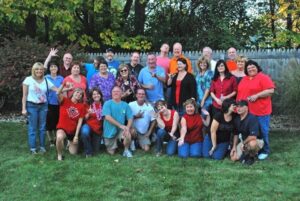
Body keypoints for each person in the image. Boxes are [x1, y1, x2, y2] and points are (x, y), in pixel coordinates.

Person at [237, 60, 275, 160]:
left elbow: (271, 90)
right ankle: (253, 150)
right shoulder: (244, 79)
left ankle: (265, 150)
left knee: (263, 131)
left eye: (253, 67)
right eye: (248, 68)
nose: (251, 69)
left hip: (261, 111)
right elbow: (240, 93)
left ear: (257, 67)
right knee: (251, 133)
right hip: (248, 112)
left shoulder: (263, 77)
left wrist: (257, 95)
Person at [22, 62, 57, 154]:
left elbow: (57, 90)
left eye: (41, 69)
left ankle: (42, 147)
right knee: (32, 128)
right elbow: (24, 96)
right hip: (31, 106)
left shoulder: (46, 80)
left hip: (43, 106)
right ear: (34, 70)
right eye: (37, 69)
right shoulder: (28, 80)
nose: (39, 71)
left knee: (42, 127)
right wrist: (23, 109)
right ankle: (33, 148)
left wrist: (66, 86)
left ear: (43, 71)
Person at [56, 84, 86, 160]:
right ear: (73, 93)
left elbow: (80, 122)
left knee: (73, 153)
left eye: (81, 94)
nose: (78, 95)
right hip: (63, 128)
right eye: (77, 92)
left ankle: (69, 142)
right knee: (59, 137)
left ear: (81, 97)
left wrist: (76, 136)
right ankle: (59, 155)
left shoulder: (81, 106)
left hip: (72, 131)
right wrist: (65, 86)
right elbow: (58, 93)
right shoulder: (65, 100)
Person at [102, 86, 134, 158]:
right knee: (111, 153)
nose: (115, 93)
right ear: (111, 93)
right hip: (109, 132)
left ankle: (126, 150)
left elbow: (130, 117)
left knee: (128, 133)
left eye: (118, 91)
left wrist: (127, 128)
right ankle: (117, 145)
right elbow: (107, 117)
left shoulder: (125, 105)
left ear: (121, 93)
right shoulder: (107, 103)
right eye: (114, 91)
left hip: (120, 131)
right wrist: (120, 125)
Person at [230, 100, 264, 165]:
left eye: (241, 107)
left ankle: (252, 156)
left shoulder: (252, 118)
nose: (238, 108)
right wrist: (234, 147)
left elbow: (253, 136)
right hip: (244, 141)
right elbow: (236, 134)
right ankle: (246, 154)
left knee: (252, 144)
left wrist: (243, 143)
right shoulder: (237, 119)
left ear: (246, 108)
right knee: (233, 158)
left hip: (256, 140)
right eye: (237, 107)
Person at [80, 88, 104, 157]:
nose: (96, 95)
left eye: (98, 94)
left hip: (98, 129)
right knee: (84, 132)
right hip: (89, 126)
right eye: (94, 94)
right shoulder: (88, 104)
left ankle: (90, 145)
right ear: (91, 96)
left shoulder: (104, 104)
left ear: (100, 95)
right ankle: (88, 152)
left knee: (96, 150)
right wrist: (88, 113)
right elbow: (84, 118)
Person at [45, 63, 64, 147]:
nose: (53, 68)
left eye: (55, 66)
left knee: (57, 122)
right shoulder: (46, 77)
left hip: (58, 103)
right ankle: (50, 140)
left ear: (57, 68)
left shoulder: (61, 78)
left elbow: (63, 90)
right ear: (49, 69)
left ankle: (57, 138)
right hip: (48, 103)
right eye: (51, 67)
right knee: (48, 123)